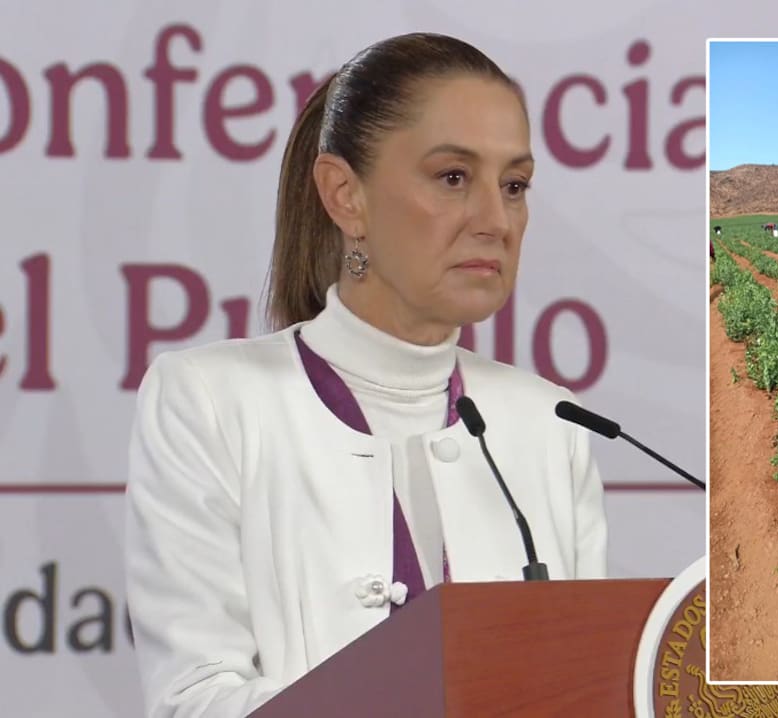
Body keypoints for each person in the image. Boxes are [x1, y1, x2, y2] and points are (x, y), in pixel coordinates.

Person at [124, 33, 608, 717]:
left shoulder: (550, 423)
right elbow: (194, 700)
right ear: (345, 196)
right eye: (452, 178)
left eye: (515, 185)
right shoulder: (208, 402)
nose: (496, 221)